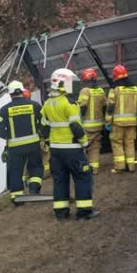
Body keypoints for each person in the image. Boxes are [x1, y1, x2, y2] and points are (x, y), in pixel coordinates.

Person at [40, 68, 96, 220]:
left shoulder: (47, 103)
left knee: (60, 180)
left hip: (56, 150)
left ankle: (61, 213)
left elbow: (44, 128)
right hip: (72, 149)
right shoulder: (69, 103)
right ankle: (84, 212)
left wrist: (47, 142)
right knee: (82, 177)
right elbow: (76, 126)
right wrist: (84, 143)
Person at [0, 80, 43, 200]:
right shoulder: (35, 106)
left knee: (16, 171)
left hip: (15, 148)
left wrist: (8, 136)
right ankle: (34, 188)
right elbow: (43, 122)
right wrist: (43, 135)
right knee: (36, 166)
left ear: (10, 94)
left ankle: (17, 198)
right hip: (33, 145)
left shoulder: (4, 110)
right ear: (22, 91)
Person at [106, 64, 137, 173]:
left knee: (117, 144)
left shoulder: (115, 90)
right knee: (130, 143)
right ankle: (131, 166)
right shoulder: (135, 89)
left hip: (118, 123)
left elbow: (110, 106)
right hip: (132, 122)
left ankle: (119, 167)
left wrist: (108, 121)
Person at [77, 68, 107, 173]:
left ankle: (82, 168)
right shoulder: (100, 91)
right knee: (95, 146)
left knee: (82, 146)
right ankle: (94, 168)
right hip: (99, 125)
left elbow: (83, 107)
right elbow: (105, 107)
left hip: (87, 125)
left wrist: (77, 120)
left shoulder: (85, 91)